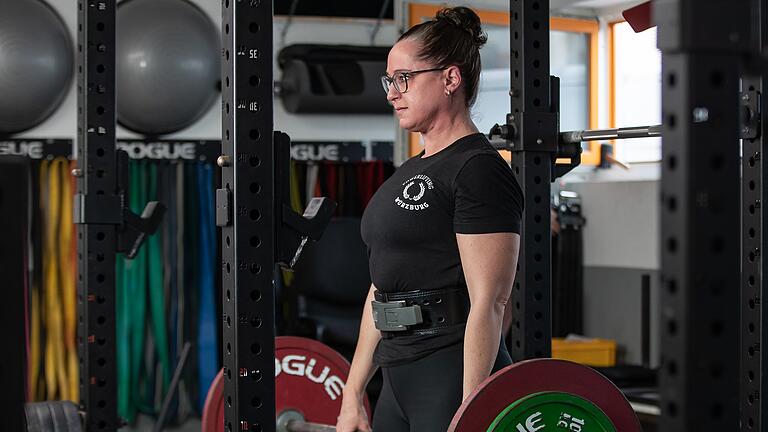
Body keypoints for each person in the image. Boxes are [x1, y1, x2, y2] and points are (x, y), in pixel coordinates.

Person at [336, 7, 523, 432]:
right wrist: (352, 394)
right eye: (389, 81)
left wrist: (470, 409)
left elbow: (490, 302)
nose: (391, 93)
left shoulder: (478, 169)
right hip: (397, 375)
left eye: (404, 78)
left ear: (450, 79)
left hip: (449, 373)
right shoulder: (411, 169)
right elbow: (381, 286)